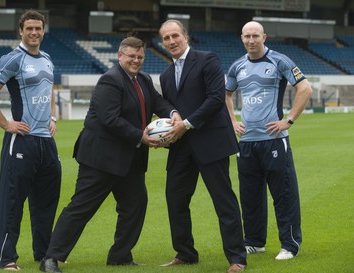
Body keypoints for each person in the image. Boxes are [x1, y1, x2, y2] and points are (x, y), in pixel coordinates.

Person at [39, 36, 181, 273]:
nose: (136, 60)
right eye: (131, 56)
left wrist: (173, 113)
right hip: (101, 159)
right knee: (81, 208)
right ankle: (51, 258)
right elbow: (109, 119)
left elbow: (158, 102)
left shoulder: (143, 79)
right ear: (120, 56)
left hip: (131, 160)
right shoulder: (110, 80)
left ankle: (120, 256)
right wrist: (141, 137)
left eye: (140, 56)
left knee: (135, 206)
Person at [158, 19, 247, 273]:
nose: (171, 41)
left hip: (211, 142)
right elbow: (170, 107)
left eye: (175, 35)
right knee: (175, 200)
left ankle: (237, 258)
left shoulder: (207, 59)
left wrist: (185, 124)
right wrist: (172, 120)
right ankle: (185, 253)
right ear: (162, 43)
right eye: (166, 38)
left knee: (224, 202)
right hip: (181, 148)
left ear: (186, 36)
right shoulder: (165, 76)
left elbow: (216, 99)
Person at [0, 9, 62, 271]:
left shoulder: (47, 59)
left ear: (43, 30)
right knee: (13, 201)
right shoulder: (12, 59)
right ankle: (6, 258)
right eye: (30, 28)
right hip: (22, 140)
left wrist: (53, 117)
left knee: (46, 202)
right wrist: (5, 123)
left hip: (46, 142)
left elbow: (48, 89)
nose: (35, 32)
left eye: (39, 28)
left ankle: (44, 254)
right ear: (21, 31)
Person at [225, 21, 313, 260]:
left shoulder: (280, 61)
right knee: (250, 195)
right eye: (246, 36)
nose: (251, 40)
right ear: (241, 38)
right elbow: (226, 94)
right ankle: (254, 242)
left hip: (274, 139)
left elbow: (305, 88)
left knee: (283, 194)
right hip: (246, 142)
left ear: (264, 37)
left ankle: (290, 245)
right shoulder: (237, 67)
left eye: (255, 35)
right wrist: (233, 121)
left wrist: (289, 120)